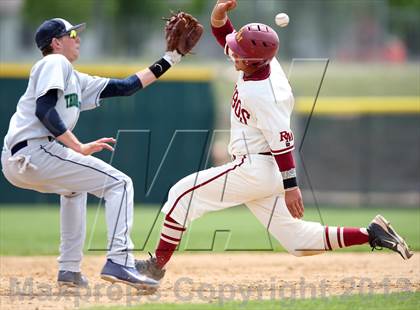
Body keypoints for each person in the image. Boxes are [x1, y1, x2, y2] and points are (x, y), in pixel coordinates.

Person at [134, 0, 413, 283]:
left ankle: (155, 268)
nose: (233, 55)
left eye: (240, 54)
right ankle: (371, 233)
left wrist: (292, 188)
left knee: (181, 194)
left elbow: (283, 143)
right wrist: (218, 17)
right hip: (260, 171)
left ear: (255, 61)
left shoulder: (268, 94)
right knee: (297, 241)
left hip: (256, 168)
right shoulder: (258, 61)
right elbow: (228, 40)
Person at [1, 17, 197, 290]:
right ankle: (120, 261)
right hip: (36, 150)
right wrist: (77, 146)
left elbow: (126, 86)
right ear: (56, 43)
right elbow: (44, 110)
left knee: (74, 190)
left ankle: (68, 269)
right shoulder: (54, 62)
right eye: (72, 33)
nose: (78, 38)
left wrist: (171, 58)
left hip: (20, 158)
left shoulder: (73, 77)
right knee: (120, 184)